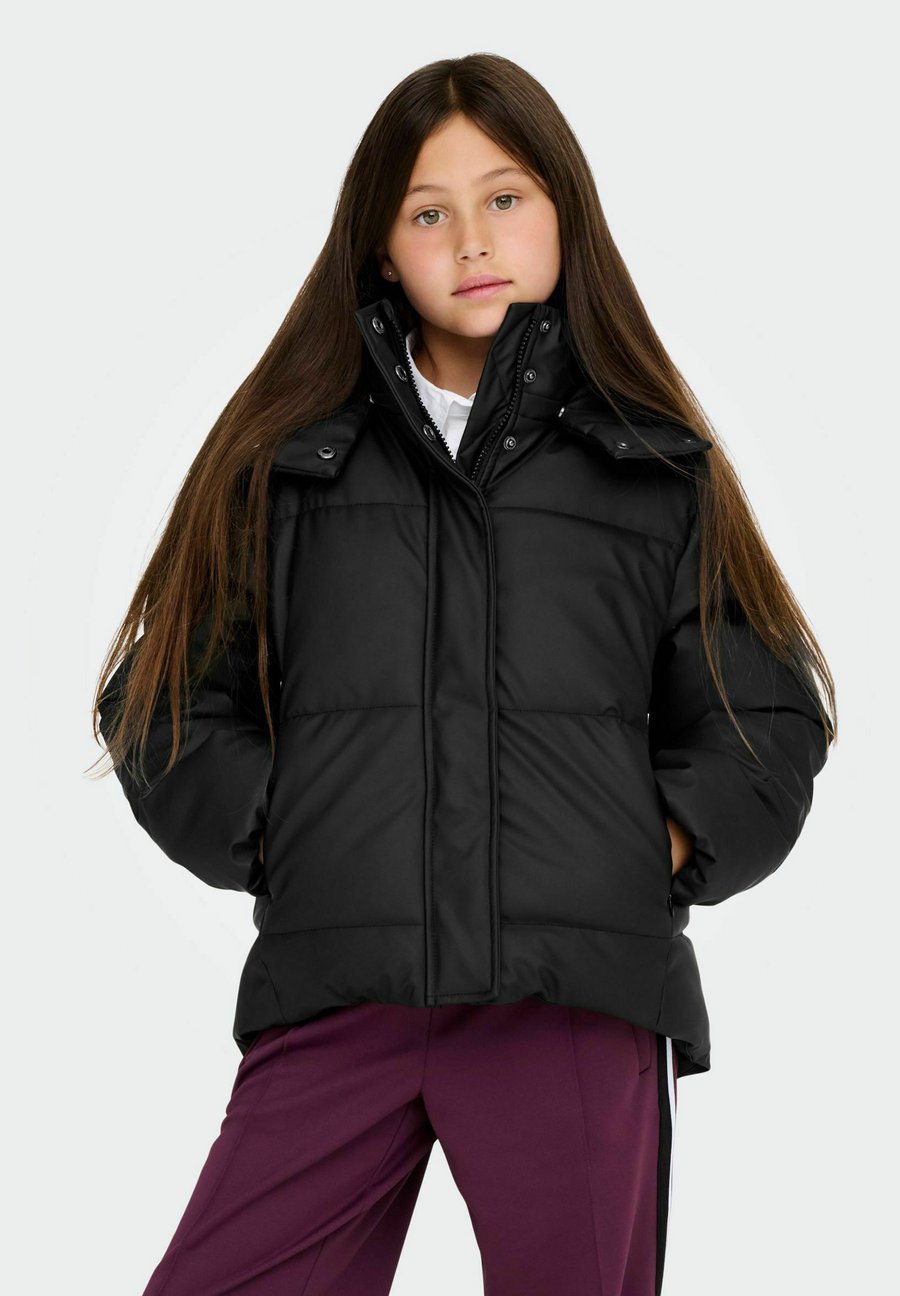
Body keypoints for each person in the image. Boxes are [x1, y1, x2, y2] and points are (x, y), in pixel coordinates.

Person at [91, 52, 836, 1296]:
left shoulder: (655, 472)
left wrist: (648, 843)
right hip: (344, 987)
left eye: (505, 198)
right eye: (428, 213)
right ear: (383, 250)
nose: (473, 239)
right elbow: (162, 700)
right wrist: (288, 830)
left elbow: (764, 716)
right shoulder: (287, 468)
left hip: (575, 996)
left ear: (563, 215)